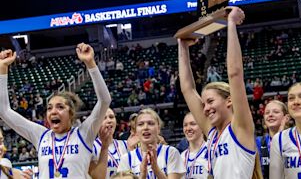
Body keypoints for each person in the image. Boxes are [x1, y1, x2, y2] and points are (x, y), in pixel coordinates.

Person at [0, 43, 112, 178]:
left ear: (71, 113)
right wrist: (3, 68)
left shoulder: (83, 133)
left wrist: (90, 63)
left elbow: (105, 100)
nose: (53, 111)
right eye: (49, 108)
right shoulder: (41, 135)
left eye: (60, 107)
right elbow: (4, 111)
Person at [178, 6, 261, 178]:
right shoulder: (213, 133)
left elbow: (235, 74)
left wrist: (231, 23)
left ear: (229, 101)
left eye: (210, 101)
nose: (205, 108)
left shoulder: (240, 127)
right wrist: (183, 47)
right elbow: (187, 89)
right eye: (204, 104)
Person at [117, 108, 185, 178]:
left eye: (150, 123)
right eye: (141, 124)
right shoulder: (126, 159)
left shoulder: (171, 152)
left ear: (158, 128)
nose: (145, 127)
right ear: (136, 131)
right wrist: (143, 175)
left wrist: (156, 169)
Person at [89, 108, 130, 179]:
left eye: (111, 117)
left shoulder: (126, 144)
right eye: (104, 118)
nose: (109, 121)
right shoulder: (90, 147)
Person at [256, 100, 289, 179]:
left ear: (286, 118)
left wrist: (279, 137)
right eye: (267, 113)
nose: (270, 115)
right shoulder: (257, 142)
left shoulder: (294, 140)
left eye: (276, 112)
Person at [180, 112, 208, 178]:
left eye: (193, 124)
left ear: (202, 127)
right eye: (185, 125)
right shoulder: (182, 157)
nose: (188, 128)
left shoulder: (210, 151)